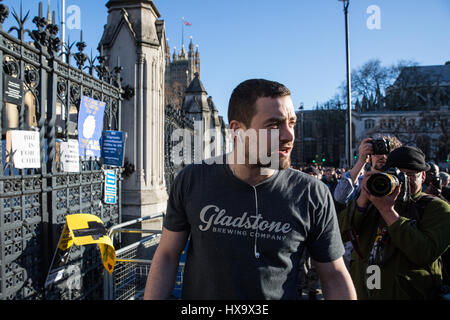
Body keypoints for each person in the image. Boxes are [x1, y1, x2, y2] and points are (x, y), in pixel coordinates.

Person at [144, 79, 356, 300]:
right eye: (274, 125)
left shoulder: (312, 193)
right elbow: (167, 255)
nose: (289, 135)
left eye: (291, 123)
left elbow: (334, 274)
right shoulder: (192, 180)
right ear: (237, 130)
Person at [338, 146, 450, 299]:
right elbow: (338, 235)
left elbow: (424, 252)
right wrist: (363, 199)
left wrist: (388, 212)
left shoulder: (437, 208)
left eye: (410, 175)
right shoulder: (372, 203)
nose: (402, 180)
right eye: (396, 175)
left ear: (423, 176)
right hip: (367, 289)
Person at [333, 136, 402, 205]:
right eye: (378, 152)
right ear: (369, 158)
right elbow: (340, 197)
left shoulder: (400, 182)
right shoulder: (362, 182)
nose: (383, 156)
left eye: (387, 153)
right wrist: (361, 161)